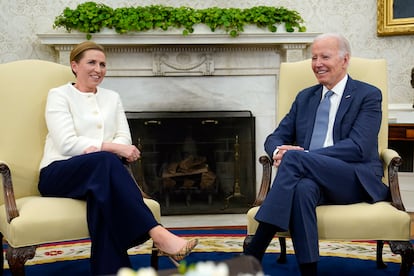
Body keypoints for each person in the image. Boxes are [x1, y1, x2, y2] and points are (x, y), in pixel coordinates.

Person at [38, 41, 198, 275]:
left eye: (102, 64)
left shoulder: (112, 97)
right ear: (74, 65)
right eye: (91, 62)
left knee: (102, 196)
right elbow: (66, 143)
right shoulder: (59, 95)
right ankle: (158, 234)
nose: (98, 69)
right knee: (106, 161)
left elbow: (124, 136)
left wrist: (113, 148)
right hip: (58, 173)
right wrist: (111, 148)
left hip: (99, 176)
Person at [243, 33, 389, 276]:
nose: (317, 63)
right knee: (302, 190)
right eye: (314, 57)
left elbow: (358, 147)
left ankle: (255, 250)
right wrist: (279, 151)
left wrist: (305, 155)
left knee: (295, 158)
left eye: (325, 57)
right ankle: (309, 271)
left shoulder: (368, 95)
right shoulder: (305, 97)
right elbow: (274, 138)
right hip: (311, 177)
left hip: (352, 178)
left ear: (345, 60)